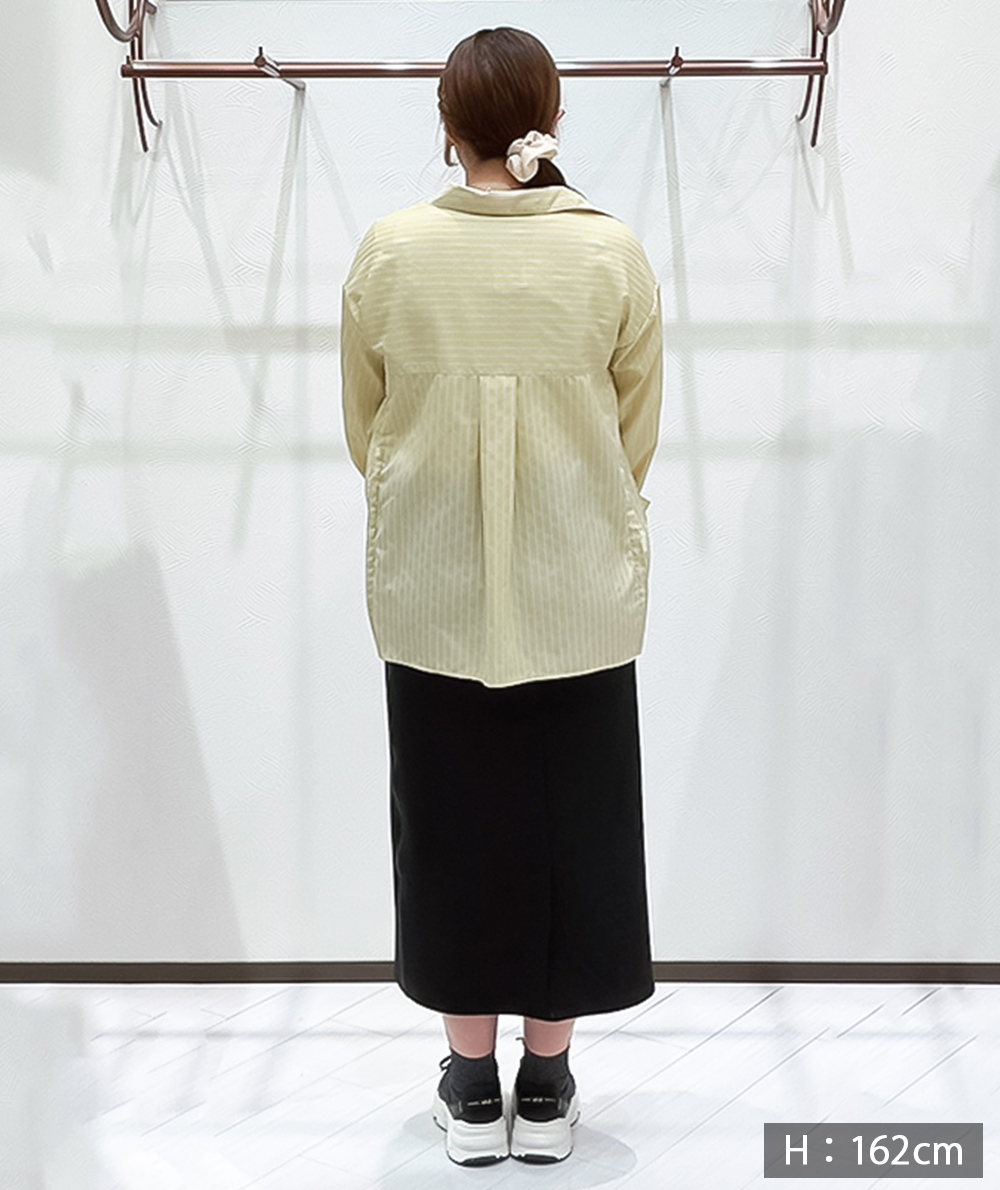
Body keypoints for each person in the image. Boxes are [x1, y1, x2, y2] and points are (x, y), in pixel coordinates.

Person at [340, 25, 663, 1167]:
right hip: (579, 592)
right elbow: (634, 434)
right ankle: (549, 1080)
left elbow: (366, 430)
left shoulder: (391, 252)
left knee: (451, 831)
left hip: (432, 595)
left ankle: (472, 1090)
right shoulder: (609, 252)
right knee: (576, 831)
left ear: (446, 125)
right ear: (552, 118)